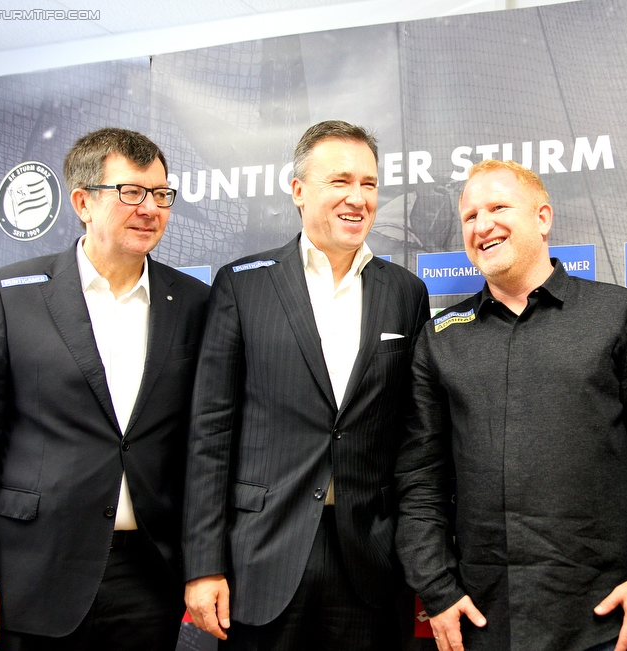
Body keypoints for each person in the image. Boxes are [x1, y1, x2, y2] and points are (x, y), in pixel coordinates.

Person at [396, 159, 627, 651]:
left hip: (604, 619)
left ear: (542, 218)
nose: (483, 226)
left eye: (498, 207)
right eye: (470, 216)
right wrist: (435, 589)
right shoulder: (440, 338)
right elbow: (420, 480)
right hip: (480, 620)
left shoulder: (620, 316)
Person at [182, 120, 430, 650]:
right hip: (263, 557)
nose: (358, 198)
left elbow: (414, 436)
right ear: (298, 191)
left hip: (369, 560)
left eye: (368, 183)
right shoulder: (242, 284)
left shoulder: (406, 292)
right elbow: (210, 432)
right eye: (339, 181)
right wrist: (203, 566)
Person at [0, 128, 209, 651]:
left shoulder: (194, 303)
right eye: (131, 193)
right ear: (83, 202)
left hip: (149, 576)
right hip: (30, 571)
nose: (150, 209)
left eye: (162, 195)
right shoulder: (12, 295)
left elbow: (204, 442)